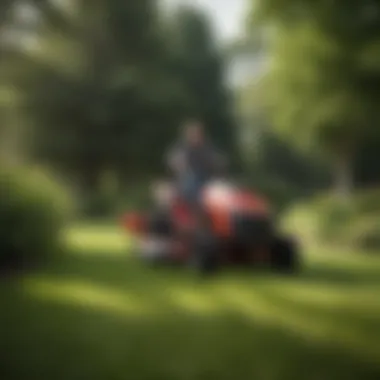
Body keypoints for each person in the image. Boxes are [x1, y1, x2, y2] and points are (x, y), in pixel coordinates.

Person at [166, 120, 226, 207]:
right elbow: (174, 162)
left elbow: (217, 161)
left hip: (207, 179)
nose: (195, 137)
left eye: (198, 134)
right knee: (191, 184)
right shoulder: (182, 149)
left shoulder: (206, 148)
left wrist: (219, 164)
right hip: (188, 180)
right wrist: (179, 166)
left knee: (221, 189)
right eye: (193, 134)